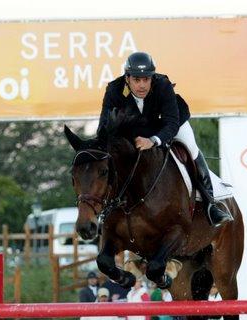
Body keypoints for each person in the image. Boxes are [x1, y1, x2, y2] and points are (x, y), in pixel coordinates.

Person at [98, 51, 233, 227]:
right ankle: (107, 209)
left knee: (191, 148)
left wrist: (153, 141)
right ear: (127, 78)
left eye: (146, 79)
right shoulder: (114, 90)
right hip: (137, 129)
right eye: (137, 80)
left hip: (169, 124)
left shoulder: (163, 85)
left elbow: (171, 124)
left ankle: (210, 204)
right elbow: (103, 128)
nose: (142, 85)